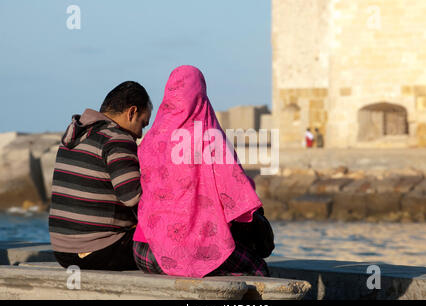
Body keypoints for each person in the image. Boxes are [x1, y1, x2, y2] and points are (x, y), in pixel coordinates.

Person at [132, 65, 274, 278]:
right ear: (201, 93)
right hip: (181, 253)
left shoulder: (151, 138)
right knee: (258, 269)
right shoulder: (209, 137)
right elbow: (237, 192)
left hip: (143, 251)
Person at [48, 81, 152, 271]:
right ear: (131, 112)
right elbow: (134, 198)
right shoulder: (117, 138)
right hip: (100, 250)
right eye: (142, 123)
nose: (140, 134)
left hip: (62, 252)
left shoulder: (74, 136)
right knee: (172, 241)